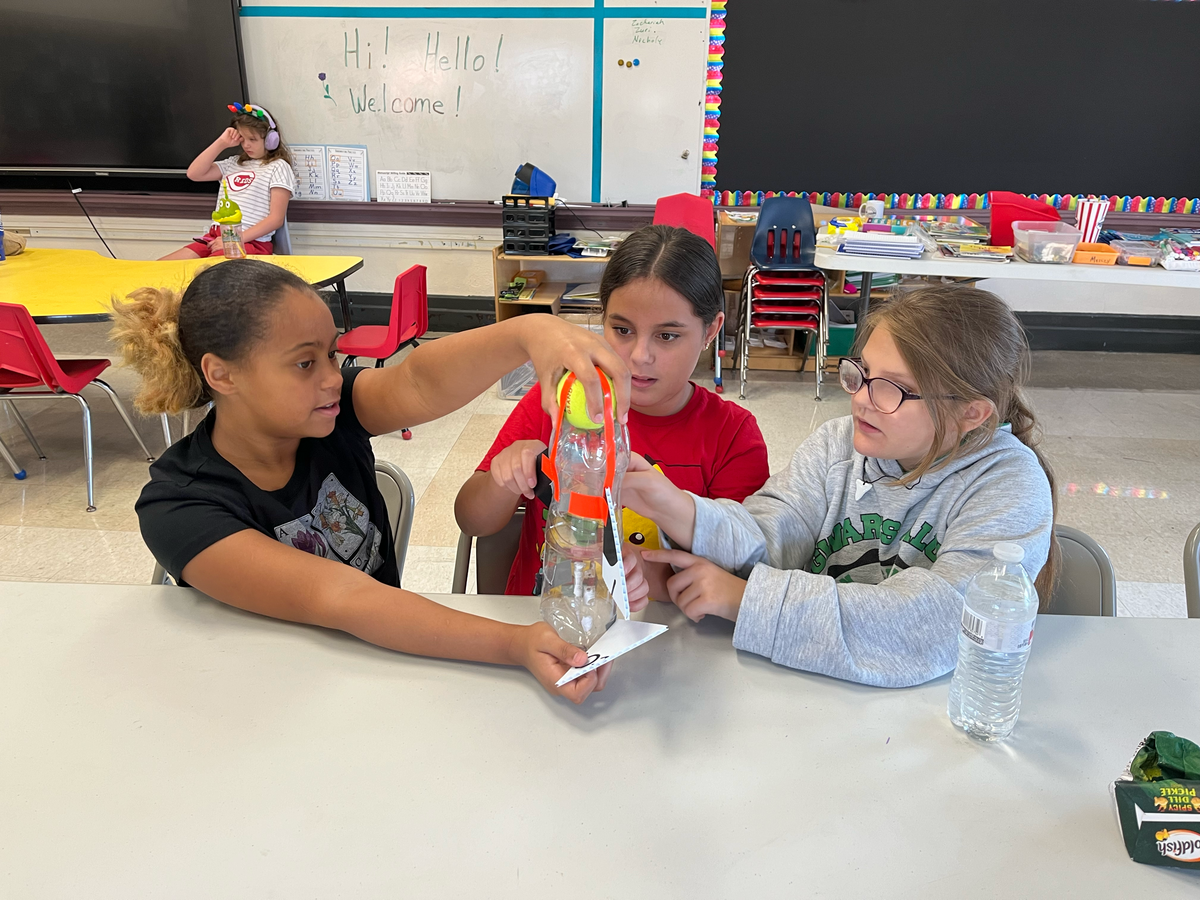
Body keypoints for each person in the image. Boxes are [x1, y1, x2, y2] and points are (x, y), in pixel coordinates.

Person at [110, 258, 640, 704]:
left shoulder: (328, 414)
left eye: (332, 354)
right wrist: (513, 644)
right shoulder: (179, 505)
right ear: (222, 375)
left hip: (383, 673)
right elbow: (342, 596)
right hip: (264, 700)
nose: (329, 377)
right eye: (303, 363)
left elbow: (418, 379)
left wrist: (530, 331)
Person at [623, 285, 1059, 688]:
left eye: (894, 389)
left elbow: (937, 624)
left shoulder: (1008, 485)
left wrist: (744, 599)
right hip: (808, 689)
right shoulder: (837, 444)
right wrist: (680, 509)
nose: (861, 398)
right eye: (862, 373)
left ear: (972, 413)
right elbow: (775, 531)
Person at [455, 224, 770, 607]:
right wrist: (502, 481)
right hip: (542, 624)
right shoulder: (559, 401)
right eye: (622, 329)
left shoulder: (732, 434)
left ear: (710, 331)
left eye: (667, 336)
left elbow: (742, 574)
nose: (640, 356)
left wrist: (642, 574)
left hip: (672, 640)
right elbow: (472, 521)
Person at [160, 104, 295, 260]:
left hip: (249, 241)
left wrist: (235, 239)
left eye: (253, 139)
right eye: (242, 139)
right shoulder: (233, 163)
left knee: (206, 274)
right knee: (159, 267)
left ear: (271, 140)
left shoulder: (278, 167)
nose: (246, 145)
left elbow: (275, 219)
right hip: (217, 237)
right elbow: (194, 173)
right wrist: (221, 143)